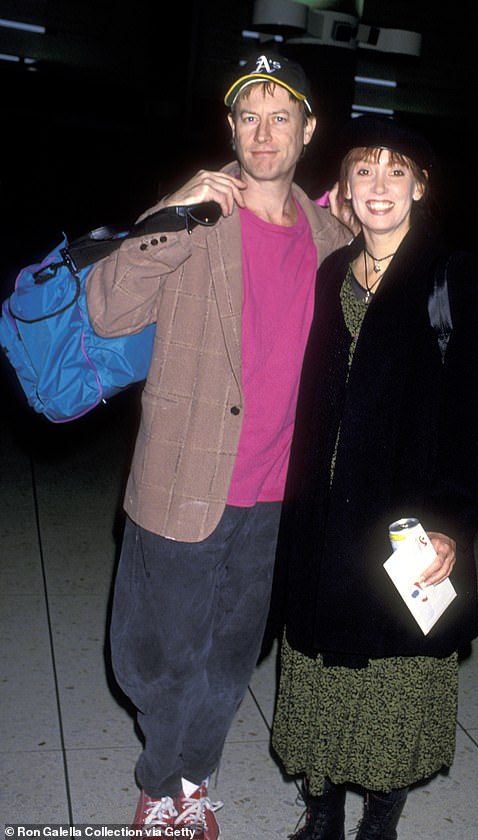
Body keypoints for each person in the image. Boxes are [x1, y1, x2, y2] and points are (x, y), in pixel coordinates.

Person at [86, 52, 350, 839]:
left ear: (308, 129)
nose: (262, 133)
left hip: (280, 495)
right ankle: (158, 783)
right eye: (247, 116)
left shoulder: (330, 234)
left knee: (232, 656)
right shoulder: (197, 216)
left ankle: (191, 782)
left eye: (280, 116)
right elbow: (108, 311)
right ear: (230, 128)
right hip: (185, 478)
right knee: (160, 658)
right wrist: (170, 206)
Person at [268, 115, 478, 839]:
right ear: (343, 186)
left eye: (395, 169)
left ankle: (380, 816)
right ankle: (321, 813)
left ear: (420, 185)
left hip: (407, 519)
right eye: (364, 169)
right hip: (323, 513)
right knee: (317, 667)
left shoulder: (457, 279)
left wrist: (450, 517)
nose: (379, 184)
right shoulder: (330, 274)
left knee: (394, 673)